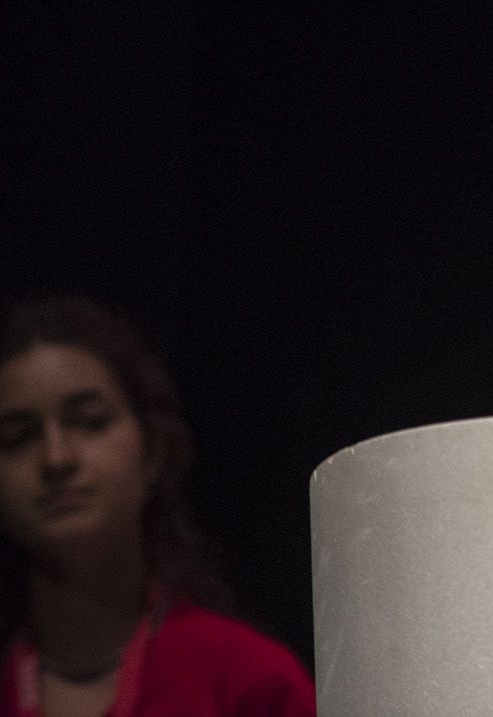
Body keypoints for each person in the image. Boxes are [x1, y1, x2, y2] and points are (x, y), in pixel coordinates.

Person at [0, 295, 315, 716]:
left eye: (90, 421)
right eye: (18, 437)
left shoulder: (249, 679)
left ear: (152, 451)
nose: (56, 459)